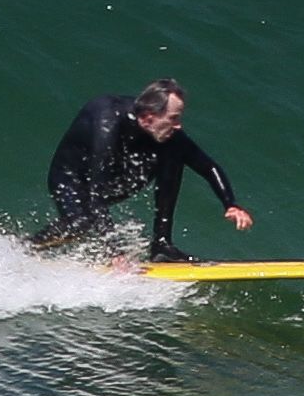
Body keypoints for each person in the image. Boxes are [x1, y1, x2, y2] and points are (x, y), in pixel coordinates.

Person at [34, 79, 255, 263]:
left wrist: (231, 204)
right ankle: (30, 248)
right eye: (174, 118)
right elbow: (96, 190)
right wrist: (115, 252)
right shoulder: (107, 119)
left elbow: (208, 166)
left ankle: (161, 245)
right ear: (149, 117)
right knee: (81, 222)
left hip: (116, 178)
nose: (179, 125)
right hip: (72, 179)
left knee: (174, 152)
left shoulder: (163, 130)